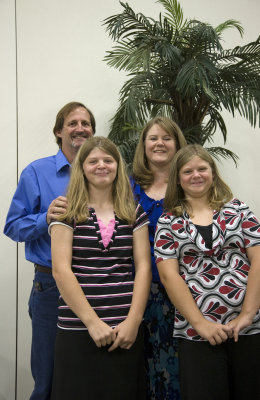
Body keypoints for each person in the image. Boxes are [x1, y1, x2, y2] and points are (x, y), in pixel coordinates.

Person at [4, 101, 96, 400]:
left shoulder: (105, 169)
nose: (80, 128)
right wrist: (45, 218)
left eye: (86, 123)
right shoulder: (37, 172)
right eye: (72, 123)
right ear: (59, 131)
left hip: (98, 284)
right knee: (48, 378)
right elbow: (13, 227)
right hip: (51, 289)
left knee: (89, 376)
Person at [154, 144, 260, 400]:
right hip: (196, 332)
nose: (196, 175)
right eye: (188, 171)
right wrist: (201, 324)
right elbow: (169, 276)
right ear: (178, 179)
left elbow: (258, 259)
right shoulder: (167, 222)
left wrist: (247, 314)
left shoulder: (239, 209)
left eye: (202, 168)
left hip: (248, 328)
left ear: (213, 172)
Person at [49, 136, 151, 400]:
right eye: (93, 161)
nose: (101, 165)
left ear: (118, 166)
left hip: (124, 330)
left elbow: (142, 268)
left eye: (108, 160)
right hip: (78, 328)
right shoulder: (66, 210)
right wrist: (92, 323)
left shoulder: (133, 211)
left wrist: (133, 322)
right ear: (81, 167)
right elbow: (61, 270)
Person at [130, 116, 187, 399]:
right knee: (140, 368)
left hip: (183, 290)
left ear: (177, 144)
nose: (160, 144)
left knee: (179, 368)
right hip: (137, 291)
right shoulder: (127, 187)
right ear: (144, 145)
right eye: (153, 138)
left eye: (167, 138)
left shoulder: (190, 181)